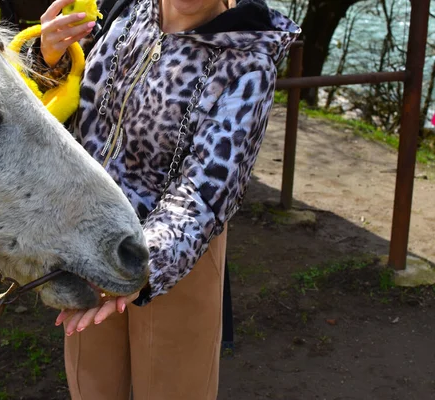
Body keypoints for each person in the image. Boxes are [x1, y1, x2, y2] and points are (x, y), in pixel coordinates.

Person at [30, 0, 300, 398]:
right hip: (90, 242)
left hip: (176, 258)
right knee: (92, 388)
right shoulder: (120, 10)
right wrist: (48, 57)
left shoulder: (248, 63)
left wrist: (137, 265)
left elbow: (205, 195)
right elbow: (62, 109)